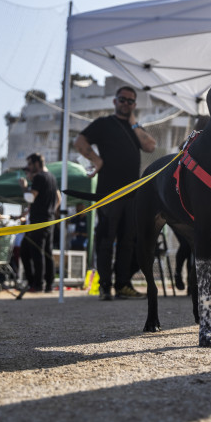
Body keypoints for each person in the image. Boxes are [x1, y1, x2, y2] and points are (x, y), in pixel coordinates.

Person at [74, 86, 156, 301]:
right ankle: (104, 287)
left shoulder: (135, 128)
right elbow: (79, 141)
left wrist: (134, 123)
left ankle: (123, 284)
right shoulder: (103, 124)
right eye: (122, 99)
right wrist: (97, 160)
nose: (126, 104)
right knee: (106, 239)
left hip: (131, 194)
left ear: (134, 105)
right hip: (108, 193)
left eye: (130, 101)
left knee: (128, 241)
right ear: (115, 101)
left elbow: (151, 146)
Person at [20, 152, 61, 293]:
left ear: (37, 163)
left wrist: (24, 187)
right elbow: (58, 198)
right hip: (49, 220)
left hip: (39, 221)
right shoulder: (52, 178)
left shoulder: (39, 177)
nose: (29, 168)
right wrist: (50, 211)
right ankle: (48, 284)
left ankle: (37, 284)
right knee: (47, 252)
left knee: (35, 252)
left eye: (30, 164)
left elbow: (30, 198)